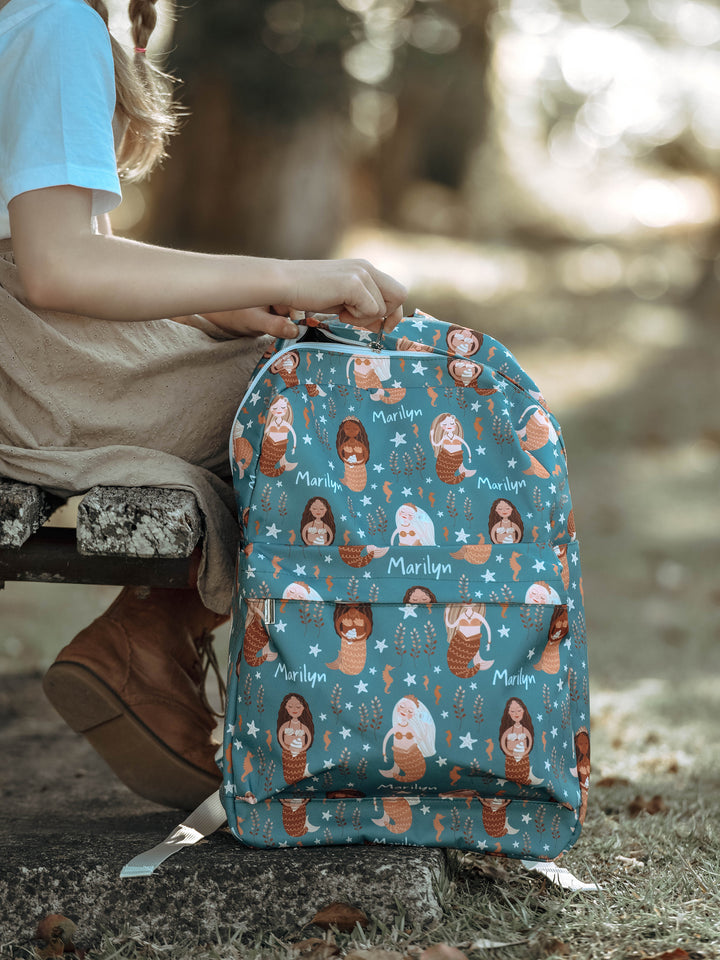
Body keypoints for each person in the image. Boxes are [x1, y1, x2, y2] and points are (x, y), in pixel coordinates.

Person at [0, 0, 406, 809]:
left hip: (37, 346)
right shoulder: (53, 21)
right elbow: (53, 266)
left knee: (286, 367)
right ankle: (154, 644)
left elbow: (73, 247)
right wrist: (285, 275)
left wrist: (203, 309)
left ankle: (151, 639)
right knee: (346, 397)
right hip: (29, 367)